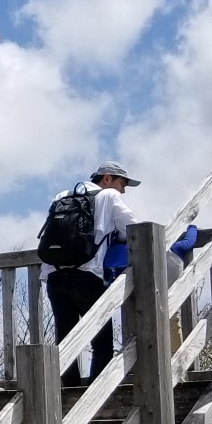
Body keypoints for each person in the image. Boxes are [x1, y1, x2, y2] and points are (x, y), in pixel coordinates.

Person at [39, 161, 139, 387]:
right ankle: (97, 389)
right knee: (101, 338)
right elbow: (133, 230)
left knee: (65, 337)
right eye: (122, 183)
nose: (123, 190)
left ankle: (68, 388)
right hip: (87, 275)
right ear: (107, 178)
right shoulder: (109, 197)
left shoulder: (61, 195)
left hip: (54, 275)